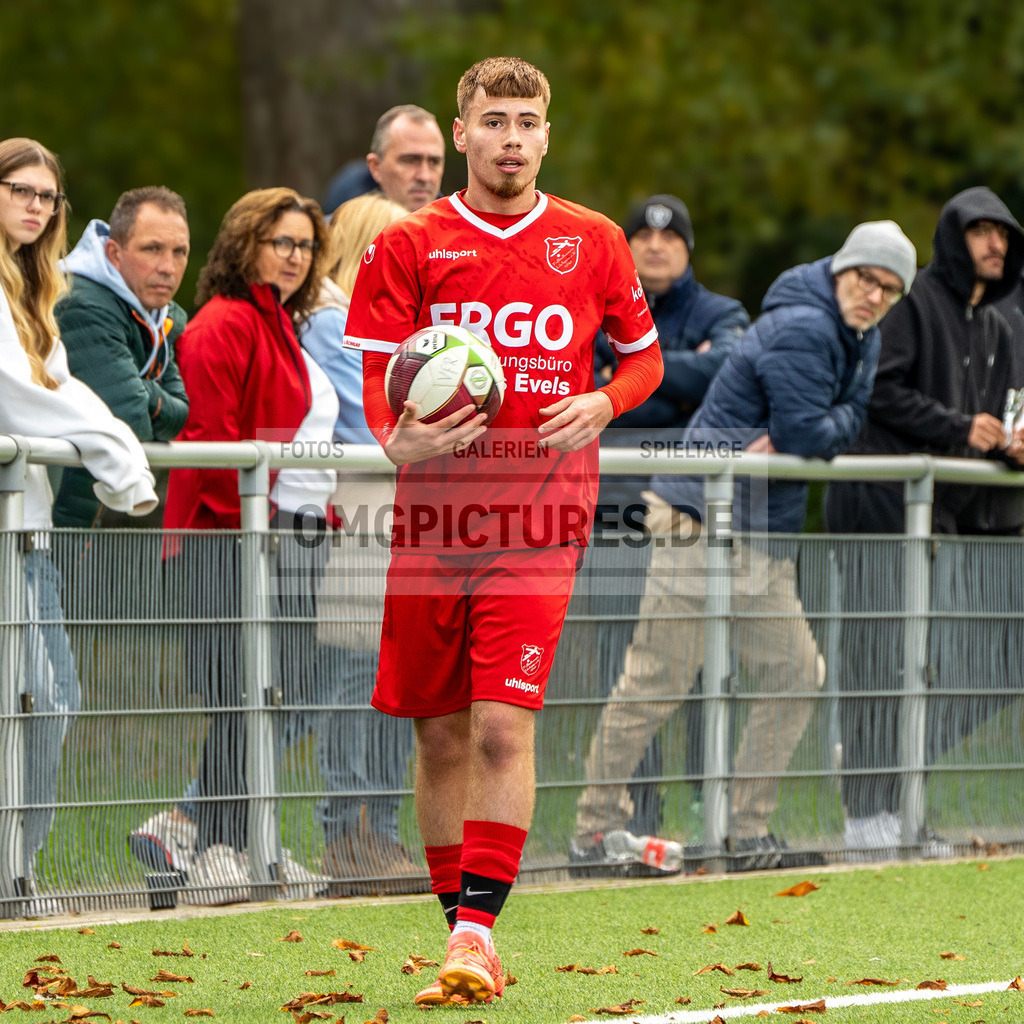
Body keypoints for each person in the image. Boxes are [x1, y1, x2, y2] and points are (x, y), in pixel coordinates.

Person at [342, 56, 662, 1006]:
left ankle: (479, 930)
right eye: (494, 121)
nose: (511, 138)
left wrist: (603, 401)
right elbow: (373, 374)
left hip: (541, 520)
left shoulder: (595, 240)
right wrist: (392, 436)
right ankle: (462, 938)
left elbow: (642, 363)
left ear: (547, 136)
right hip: (435, 521)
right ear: (464, 131)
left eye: (528, 121)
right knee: (440, 740)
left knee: (498, 732)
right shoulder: (409, 242)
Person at [574, 220, 919, 872]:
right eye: (865, 278)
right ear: (842, 268)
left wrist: (834, 420)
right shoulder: (807, 326)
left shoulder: (859, 333)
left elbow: (833, 423)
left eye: (889, 289)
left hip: (760, 527)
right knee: (656, 681)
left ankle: (741, 833)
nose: (873, 295)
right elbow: (804, 432)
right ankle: (592, 833)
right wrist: (835, 421)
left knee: (795, 672)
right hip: (697, 518)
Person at [824, 188, 1024, 859]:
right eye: (980, 232)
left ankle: (898, 805)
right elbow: (880, 390)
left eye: (1002, 234)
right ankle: (867, 822)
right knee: (878, 657)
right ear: (952, 237)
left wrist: (1002, 441)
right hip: (879, 505)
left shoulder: (993, 323)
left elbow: (977, 422)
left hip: (938, 515)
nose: (994, 244)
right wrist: (963, 429)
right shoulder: (912, 303)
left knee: (931, 666)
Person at [160, 187, 339, 904]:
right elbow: (210, 449)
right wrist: (252, 538)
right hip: (224, 543)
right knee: (240, 699)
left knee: (269, 697)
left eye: (304, 245)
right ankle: (214, 850)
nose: (295, 257)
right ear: (246, 244)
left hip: (286, 541)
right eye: (281, 242)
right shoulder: (224, 324)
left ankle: (249, 844)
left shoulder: (278, 324)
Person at [0, 137, 158, 915]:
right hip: (6, 540)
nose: (34, 205)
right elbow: (20, 398)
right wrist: (121, 461)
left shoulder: (35, 291)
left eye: (46, 196)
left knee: (49, 700)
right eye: (19, 190)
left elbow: (63, 387)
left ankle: (14, 873)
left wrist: (116, 452)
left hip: (29, 536)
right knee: (26, 701)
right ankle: (9, 875)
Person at [573, 194, 749, 849]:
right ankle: (630, 820)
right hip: (610, 508)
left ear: (688, 246)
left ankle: (710, 818)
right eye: (642, 235)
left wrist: (632, 375)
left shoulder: (721, 313)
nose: (654, 245)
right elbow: (581, 392)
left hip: (692, 512)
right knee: (623, 665)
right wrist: (674, 379)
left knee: (702, 665)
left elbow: (730, 377)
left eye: (669, 235)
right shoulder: (595, 307)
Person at [301, 192, 421, 890]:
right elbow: (376, 424)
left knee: (390, 680)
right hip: (361, 506)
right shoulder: (332, 321)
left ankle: (378, 832)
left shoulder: (374, 323)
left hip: (393, 507)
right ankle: (346, 835)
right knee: (356, 678)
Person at [52, 186, 189, 529]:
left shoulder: (167, 314)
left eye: (180, 252)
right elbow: (130, 417)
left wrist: (142, 390)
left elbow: (182, 413)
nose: (168, 267)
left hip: (102, 512)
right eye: (153, 249)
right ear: (114, 253)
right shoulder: (82, 301)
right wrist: (149, 395)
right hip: (59, 517)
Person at [323, 105, 445, 215]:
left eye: (434, 162)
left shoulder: (460, 231)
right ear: (375, 167)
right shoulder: (334, 234)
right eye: (410, 161)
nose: (424, 176)